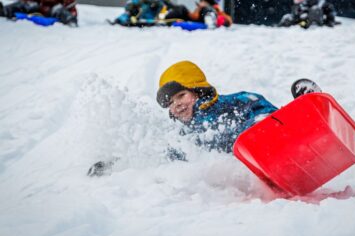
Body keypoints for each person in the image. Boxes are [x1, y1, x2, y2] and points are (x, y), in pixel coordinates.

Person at [87, 61, 320, 176]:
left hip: (273, 146)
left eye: (181, 95)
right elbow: (158, 158)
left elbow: (262, 109)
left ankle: (310, 109)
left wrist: (258, 126)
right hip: (252, 169)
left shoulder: (235, 102)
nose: (176, 104)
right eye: (170, 102)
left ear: (198, 91)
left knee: (273, 124)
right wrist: (116, 165)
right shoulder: (183, 137)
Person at [165, 0, 233, 28]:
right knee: (182, 8)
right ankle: (165, 17)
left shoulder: (214, 10)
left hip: (208, 20)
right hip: (197, 20)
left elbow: (229, 21)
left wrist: (219, 11)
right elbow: (194, 17)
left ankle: (209, 19)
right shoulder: (202, 7)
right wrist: (199, 8)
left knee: (208, 11)